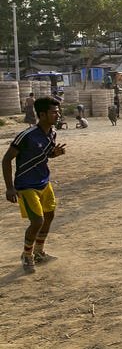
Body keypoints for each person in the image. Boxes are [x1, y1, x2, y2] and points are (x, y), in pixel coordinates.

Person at [3, 97, 66, 273]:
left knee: (49, 216)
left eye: (58, 111)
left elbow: (44, 155)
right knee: (37, 221)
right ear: (42, 115)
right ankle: (27, 254)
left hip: (44, 182)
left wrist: (54, 154)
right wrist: (9, 187)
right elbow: (7, 159)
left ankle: (39, 251)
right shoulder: (26, 136)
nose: (58, 115)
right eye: (54, 112)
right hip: (26, 185)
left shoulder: (52, 133)